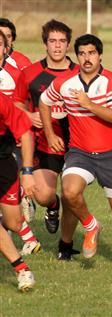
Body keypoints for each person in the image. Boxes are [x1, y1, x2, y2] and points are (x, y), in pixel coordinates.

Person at [39, 34, 112, 271]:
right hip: (80, 152)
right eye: (82, 53)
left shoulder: (110, 81)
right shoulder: (65, 82)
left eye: (91, 53)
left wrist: (89, 104)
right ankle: (91, 226)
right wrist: (51, 135)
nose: (87, 58)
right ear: (77, 56)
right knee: (69, 192)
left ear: (100, 55)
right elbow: (44, 102)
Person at [14, 20, 80, 259]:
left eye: (62, 41)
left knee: (73, 195)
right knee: (43, 195)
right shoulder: (30, 73)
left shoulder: (78, 73)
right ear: (45, 44)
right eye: (52, 41)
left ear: (68, 44)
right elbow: (16, 104)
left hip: (77, 146)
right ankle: (53, 207)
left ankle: (65, 248)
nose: (57, 46)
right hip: (44, 144)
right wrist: (29, 115)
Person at [0, 29, 41, 255]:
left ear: (7, 47)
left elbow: (26, 102)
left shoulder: (18, 70)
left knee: (11, 206)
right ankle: (28, 239)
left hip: (10, 141)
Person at [0, 92, 36, 291]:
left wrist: (28, 171)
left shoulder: (1, 101)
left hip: (3, 165)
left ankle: (19, 194)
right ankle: (22, 269)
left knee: (14, 223)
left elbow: (25, 133)